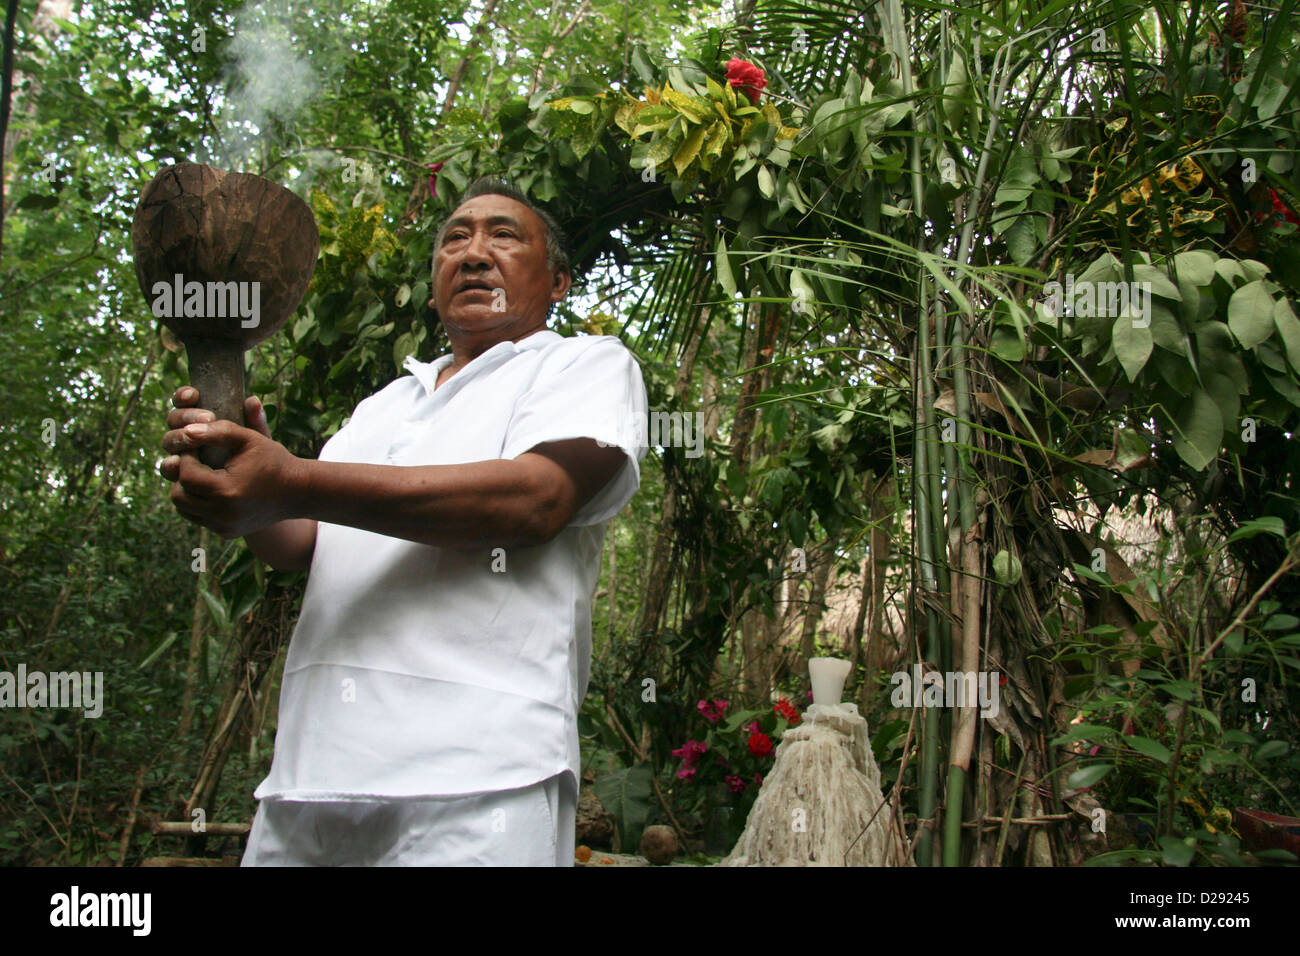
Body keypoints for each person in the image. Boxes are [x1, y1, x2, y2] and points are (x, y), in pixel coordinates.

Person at [158, 176, 648, 865]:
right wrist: (238, 486)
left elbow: (536, 501)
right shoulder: (383, 405)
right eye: (455, 239)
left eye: (503, 235)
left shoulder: (585, 365)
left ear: (559, 279)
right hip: (310, 782)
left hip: (483, 777)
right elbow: (306, 541)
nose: (473, 253)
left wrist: (292, 477)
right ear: (433, 280)